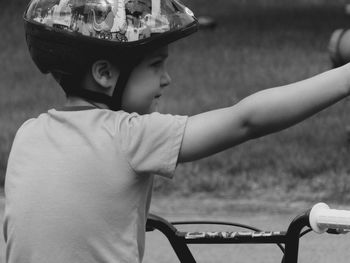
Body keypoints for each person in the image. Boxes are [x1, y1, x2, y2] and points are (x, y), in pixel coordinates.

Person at [3, 0, 350, 263]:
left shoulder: (27, 135)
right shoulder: (128, 136)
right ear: (105, 74)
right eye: (156, 65)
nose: (166, 79)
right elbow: (247, 120)